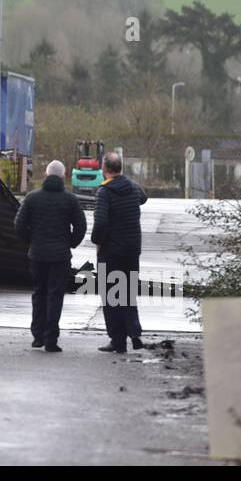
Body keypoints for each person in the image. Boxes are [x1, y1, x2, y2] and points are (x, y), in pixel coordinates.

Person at [14, 160, 86, 352]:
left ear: (46, 176)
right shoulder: (70, 200)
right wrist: (70, 242)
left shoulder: (31, 198)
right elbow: (81, 226)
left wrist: (32, 241)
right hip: (60, 256)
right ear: (63, 177)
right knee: (55, 295)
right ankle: (51, 339)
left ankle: (37, 337)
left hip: (37, 255)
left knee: (39, 293)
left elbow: (19, 225)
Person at [91, 151, 147, 353]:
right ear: (121, 168)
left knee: (113, 295)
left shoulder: (104, 191)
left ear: (104, 169)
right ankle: (134, 333)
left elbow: (101, 221)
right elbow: (144, 197)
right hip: (132, 249)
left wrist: (96, 240)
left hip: (112, 251)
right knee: (129, 292)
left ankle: (117, 340)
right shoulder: (132, 187)